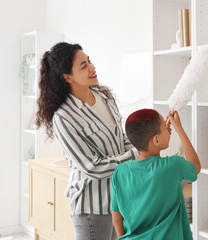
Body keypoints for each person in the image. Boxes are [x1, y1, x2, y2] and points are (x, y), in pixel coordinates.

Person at [36, 42, 138, 240]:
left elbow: (120, 138)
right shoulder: (64, 116)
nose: (92, 67)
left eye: (89, 61)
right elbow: (91, 167)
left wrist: (144, 146)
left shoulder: (104, 97)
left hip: (117, 199)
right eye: (83, 65)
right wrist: (136, 154)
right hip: (92, 206)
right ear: (67, 77)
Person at [110, 109, 201, 239]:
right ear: (156, 140)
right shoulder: (172, 166)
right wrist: (179, 129)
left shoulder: (120, 171)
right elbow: (195, 166)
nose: (169, 129)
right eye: (165, 127)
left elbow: (116, 219)